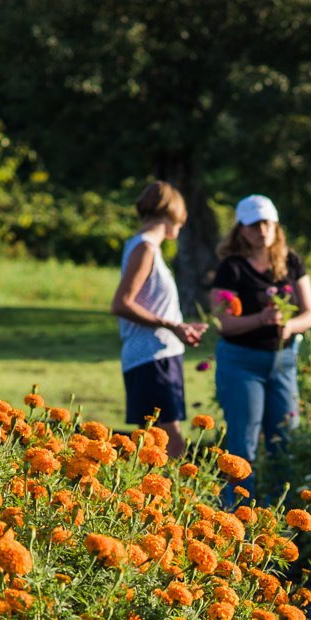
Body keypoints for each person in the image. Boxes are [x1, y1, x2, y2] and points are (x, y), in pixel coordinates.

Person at [211, 194, 311, 482]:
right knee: (243, 447)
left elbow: (309, 314)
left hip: (282, 361)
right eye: (254, 225)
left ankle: (280, 515)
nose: (262, 230)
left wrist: (291, 326)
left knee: (284, 442)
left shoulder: (291, 262)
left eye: (267, 223)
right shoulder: (231, 268)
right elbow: (223, 322)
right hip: (242, 362)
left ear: (276, 226)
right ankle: (237, 514)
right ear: (241, 229)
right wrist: (260, 319)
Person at [111, 180, 206, 453]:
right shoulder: (145, 248)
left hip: (158, 357)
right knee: (170, 446)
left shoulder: (145, 247)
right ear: (171, 213)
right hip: (152, 358)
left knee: (151, 445)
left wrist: (180, 326)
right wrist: (171, 326)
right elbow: (121, 303)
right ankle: (176, 495)